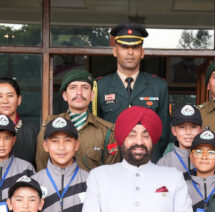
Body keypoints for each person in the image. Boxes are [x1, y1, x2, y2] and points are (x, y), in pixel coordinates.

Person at [92, 23, 171, 159]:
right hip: (113, 162)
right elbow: (96, 130)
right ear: (115, 52)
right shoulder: (100, 86)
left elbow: (163, 134)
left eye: (135, 47)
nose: (130, 52)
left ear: (142, 53)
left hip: (148, 162)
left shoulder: (158, 86)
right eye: (124, 47)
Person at [35, 69, 117, 171]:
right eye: (73, 87)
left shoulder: (106, 131)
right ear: (65, 95)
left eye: (85, 87)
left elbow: (111, 173)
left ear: (92, 95)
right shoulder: (49, 125)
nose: (79, 92)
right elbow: (42, 167)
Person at [157, 103, 203, 173]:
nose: (188, 132)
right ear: (174, 131)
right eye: (182, 127)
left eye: (193, 127)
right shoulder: (164, 163)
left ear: (201, 130)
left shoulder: (209, 159)